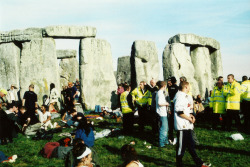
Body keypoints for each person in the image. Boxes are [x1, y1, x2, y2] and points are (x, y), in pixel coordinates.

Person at [174, 81, 210, 167]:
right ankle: (179, 164)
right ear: (186, 87)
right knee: (181, 147)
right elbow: (179, 111)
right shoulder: (179, 96)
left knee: (190, 145)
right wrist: (189, 118)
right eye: (189, 86)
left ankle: (199, 163)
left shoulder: (186, 96)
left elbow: (187, 109)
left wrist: (191, 116)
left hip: (187, 125)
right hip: (182, 125)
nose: (190, 87)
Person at [156, 81, 170, 148]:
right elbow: (160, 103)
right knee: (164, 128)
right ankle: (161, 143)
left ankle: (165, 141)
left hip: (161, 112)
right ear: (164, 86)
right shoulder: (160, 93)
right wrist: (166, 103)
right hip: (162, 113)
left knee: (165, 127)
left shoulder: (159, 92)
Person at [168, 77, 179, 144]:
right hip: (176, 105)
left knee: (171, 123)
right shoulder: (177, 88)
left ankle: (171, 137)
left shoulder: (169, 88)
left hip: (171, 105)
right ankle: (177, 137)